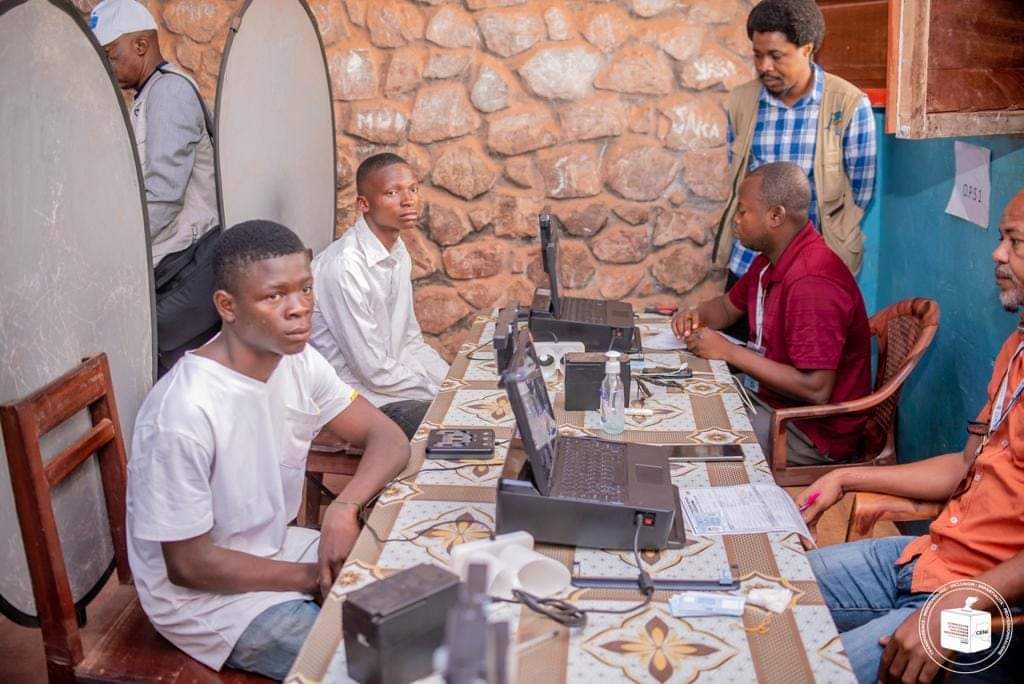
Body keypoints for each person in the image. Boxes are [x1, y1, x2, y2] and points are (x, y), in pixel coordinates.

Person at [126, 220, 410, 680]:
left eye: (305, 289)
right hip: (208, 602)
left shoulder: (298, 360)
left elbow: (389, 438)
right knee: (371, 667)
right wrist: (316, 578)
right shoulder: (182, 412)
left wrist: (344, 508)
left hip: (278, 548)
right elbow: (189, 566)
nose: (299, 309)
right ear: (227, 306)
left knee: (418, 606)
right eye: (274, 296)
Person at [797, 191, 1024, 683]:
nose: (997, 253)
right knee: (767, 586)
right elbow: (964, 465)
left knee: (799, 672)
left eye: (1015, 242)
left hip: (984, 610)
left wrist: (960, 604)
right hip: (928, 557)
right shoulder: (1016, 348)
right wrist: (845, 477)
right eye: (1001, 239)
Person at [672, 162, 871, 464]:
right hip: (769, 401)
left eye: (743, 212)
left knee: (693, 438)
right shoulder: (769, 261)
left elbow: (816, 388)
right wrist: (696, 313)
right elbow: (726, 308)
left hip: (808, 433)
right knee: (683, 400)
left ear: (776, 215)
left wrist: (728, 351)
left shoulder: (811, 281)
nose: (735, 220)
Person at [90, 0, 221, 374]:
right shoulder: (148, 95)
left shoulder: (169, 93)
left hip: (183, 264)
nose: (108, 68)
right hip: (171, 262)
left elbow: (163, 194)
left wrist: (117, 251)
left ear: (140, 45)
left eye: (111, 56)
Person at [711, 0, 877, 293]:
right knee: (733, 324)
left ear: (807, 49)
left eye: (776, 56)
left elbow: (860, 193)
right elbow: (739, 178)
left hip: (814, 269)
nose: (764, 66)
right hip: (748, 264)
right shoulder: (742, 101)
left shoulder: (848, 104)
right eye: (758, 55)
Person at [310, 153, 449, 440]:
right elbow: (372, 370)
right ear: (364, 204)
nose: (408, 200)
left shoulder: (398, 252)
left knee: (475, 413)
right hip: (357, 401)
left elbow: (410, 341)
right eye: (392, 193)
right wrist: (437, 392)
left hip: (394, 388)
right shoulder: (344, 268)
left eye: (413, 189)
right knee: (453, 433)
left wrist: (451, 384)